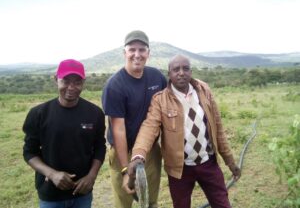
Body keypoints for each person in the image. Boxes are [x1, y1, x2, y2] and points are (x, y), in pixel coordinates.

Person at [126, 54, 241, 208]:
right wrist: (138, 155)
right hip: (180, 170)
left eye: (185, 68)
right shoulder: (160, 100)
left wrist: (230, 162)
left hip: (208, 163)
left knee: (222, 204)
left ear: (191, 72)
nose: (181, 73)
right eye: (176, 69)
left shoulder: (203, 90)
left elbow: (218, 129)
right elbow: (149, 127)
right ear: (169, 74)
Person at [23, 59, 106, 208]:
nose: (71, 87)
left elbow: (100, 147)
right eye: (66, 81)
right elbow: (29, 152)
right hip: (50, 194)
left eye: (77, 82)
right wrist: (52, 174)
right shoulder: (39, 114)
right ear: (56, 80)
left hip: (83, 192)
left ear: (83, 82)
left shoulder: (95, 113)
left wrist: (91, 176)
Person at [101, 30, 167, 208]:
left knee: (150, 199)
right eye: (132, 50)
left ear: (148, 53)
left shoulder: (157, 77)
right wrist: (124, 170)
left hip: (150, 150)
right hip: (124, 151)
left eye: (142, 50)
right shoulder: (115, 85)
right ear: (125, 53)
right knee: (124, 200)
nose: (137, 54)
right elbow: (118, 130)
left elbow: (169, 107)